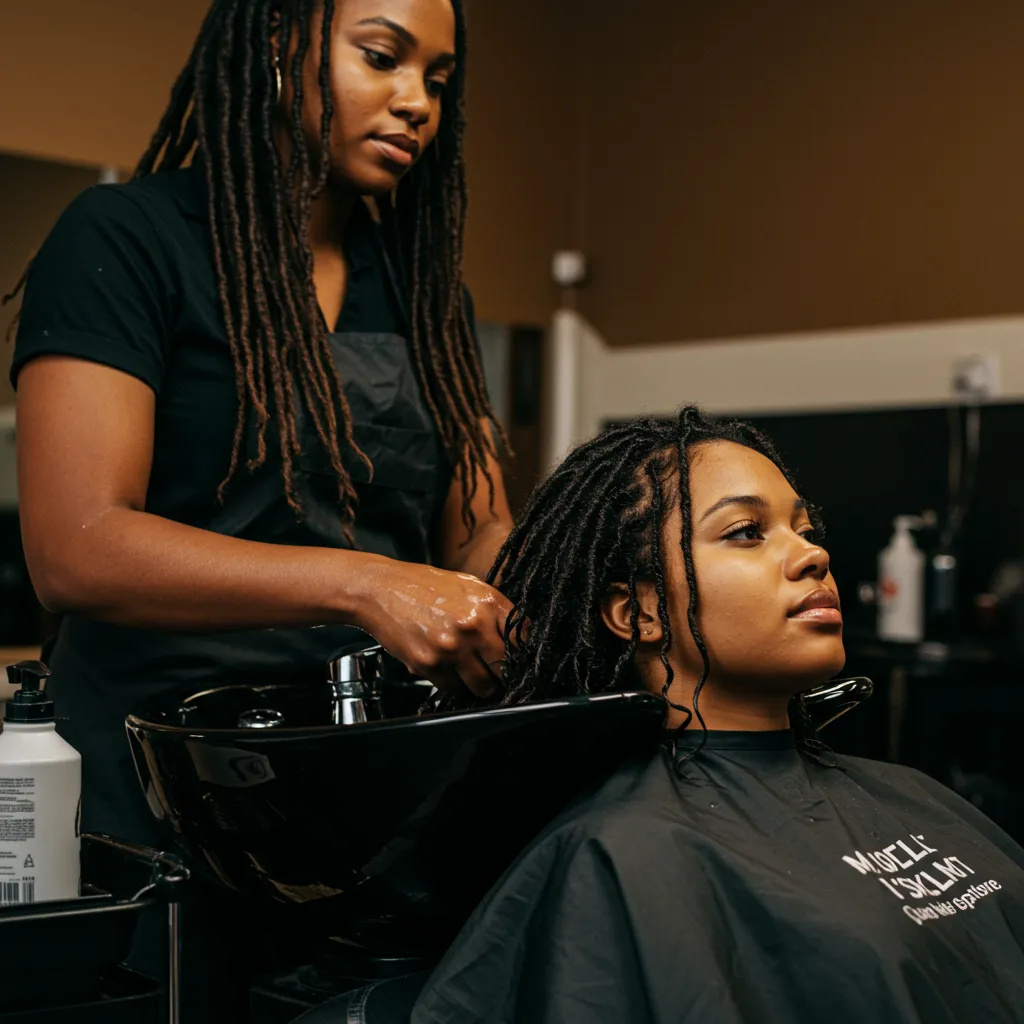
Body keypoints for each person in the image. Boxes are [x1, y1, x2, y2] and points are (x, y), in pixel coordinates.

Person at [6, 0, 512, 1018]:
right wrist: (368, 584)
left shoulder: (424, 293)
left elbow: (483, 528)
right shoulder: (131, 238)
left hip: (364, 798)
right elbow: (78, 546)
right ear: (281, 44)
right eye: (381, 56)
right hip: (147, 789)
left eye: (440, 79)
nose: (418, 102)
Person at [413, 408, 1024, 1024]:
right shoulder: (620, 851)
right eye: (745, 532)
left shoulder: (907, 792)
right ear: (638, 613)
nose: (812, 556)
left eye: (806, 529)